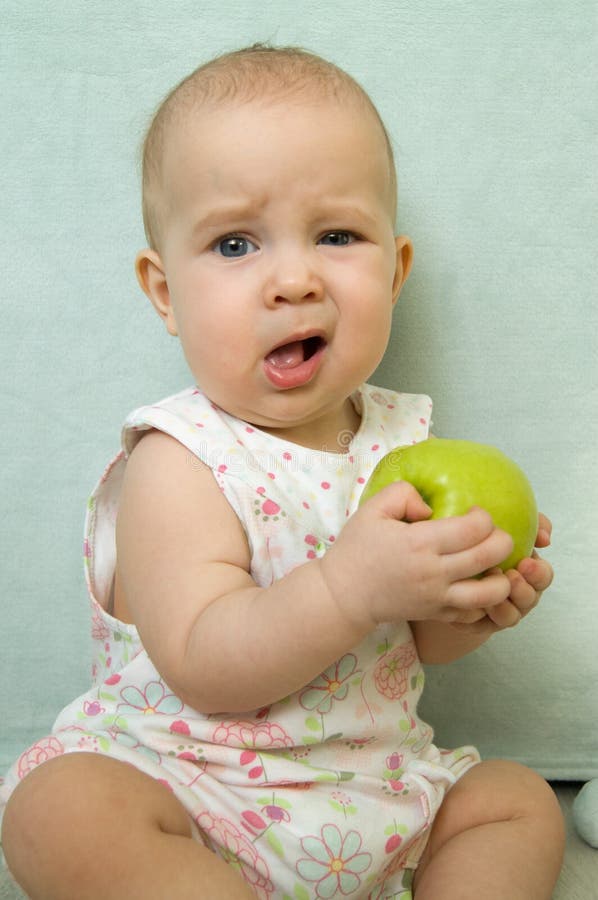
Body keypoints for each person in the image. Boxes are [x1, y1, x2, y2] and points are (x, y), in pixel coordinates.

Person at [1, 44, 564, 899]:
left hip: (372, 795)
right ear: (164, 293)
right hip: (199, 793)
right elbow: (203, 661)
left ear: (394, 271)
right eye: (235, 244)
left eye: (337, 236)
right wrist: (350, 588)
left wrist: (473, 601)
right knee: (60, 811)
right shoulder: (180, 458)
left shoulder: (403, 446)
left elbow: (416, 645)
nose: (294, 279)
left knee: (516, 803)